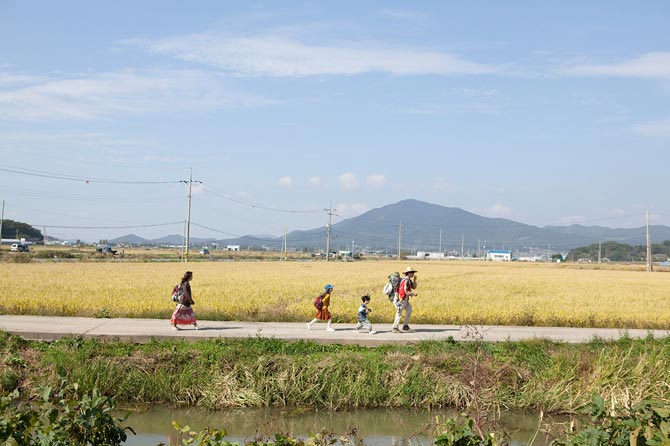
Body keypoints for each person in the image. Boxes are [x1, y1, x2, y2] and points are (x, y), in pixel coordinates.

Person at [392, 266, 418, 333]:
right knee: (399, 313)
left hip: (405, 299)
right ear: (408, 273)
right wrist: (412, 294)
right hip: (401, 299)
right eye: (412, 272)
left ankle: (405, 326)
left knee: (409, 311)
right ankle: (395, 328)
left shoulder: (409, 280)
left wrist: (414, 280)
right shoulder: (406, 281)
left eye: (413, 272)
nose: (413, 274)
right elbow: (405, 291)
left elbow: (414, 287)